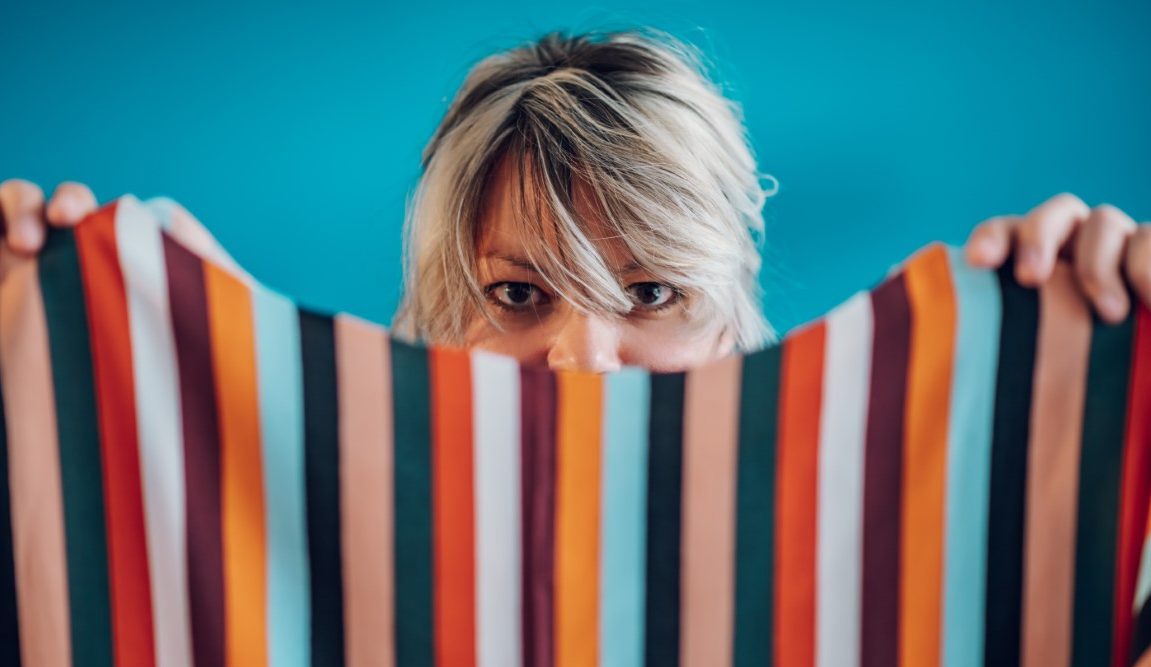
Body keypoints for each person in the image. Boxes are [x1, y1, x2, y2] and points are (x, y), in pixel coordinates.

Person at [2, 30, 1149, 373]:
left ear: (731, 312)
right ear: (431, 313)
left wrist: (1103, 362)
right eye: (513, 293)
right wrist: (61, 340)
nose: (581, 361)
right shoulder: (281, 578)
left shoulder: (901, 552)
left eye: (650, 291)